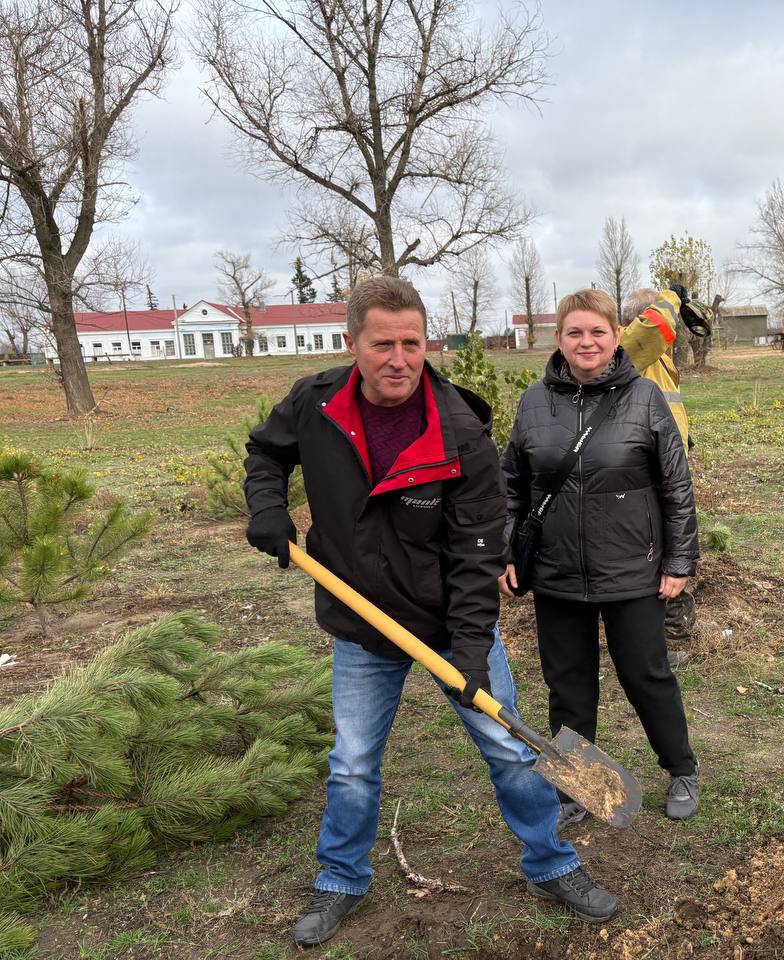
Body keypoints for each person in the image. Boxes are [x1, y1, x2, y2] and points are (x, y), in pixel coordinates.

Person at [243, 276, 619, 947]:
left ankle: (553, 862)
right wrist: (267, 508)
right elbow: (265, 452)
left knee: (509, 748)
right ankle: (340, 879)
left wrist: (471, 651)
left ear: (428, 342)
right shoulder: (317, 403)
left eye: (412, 343)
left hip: (449, 622)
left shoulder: (459, 431)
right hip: (361, 624)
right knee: (353, 762)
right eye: (382, 343)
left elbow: (478, 555)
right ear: (351, 342)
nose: (399, 359)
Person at [499, 288, 700, 828]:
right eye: (574, 332)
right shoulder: (534, 401)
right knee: (568, 681)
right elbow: (511, 485)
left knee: (645, 674)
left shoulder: (644, 398)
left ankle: (681, 768)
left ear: (616, 337)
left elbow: (676, 487)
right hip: (557, 570)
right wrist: (506, 549)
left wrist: (679, 561)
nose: (586, 342)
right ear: (559, 339)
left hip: (632, 567)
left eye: (597, 332)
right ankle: (576, 787)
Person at [618, 286, 701, 663]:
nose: (672, 332)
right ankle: (668, 643)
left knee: (673, 548)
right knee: (660, 553)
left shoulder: (659, 359)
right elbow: (653, 326)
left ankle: (676, 636)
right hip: (646, 473)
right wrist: (673, 295)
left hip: (668, 467)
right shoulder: (630, 346)